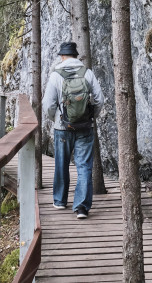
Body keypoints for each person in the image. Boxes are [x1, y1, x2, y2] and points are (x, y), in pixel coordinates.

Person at [43, 41, 104, 219]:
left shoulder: (56, 75)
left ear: (62, 56)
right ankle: (82, 208)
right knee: (84, 166)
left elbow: (48, 104)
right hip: (85, 127)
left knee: (61, 164)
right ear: (76, 56)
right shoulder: (88, 73)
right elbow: (100, 100)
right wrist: (91, 117)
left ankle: (60, 201)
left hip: (62, 127)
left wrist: (55, 119)